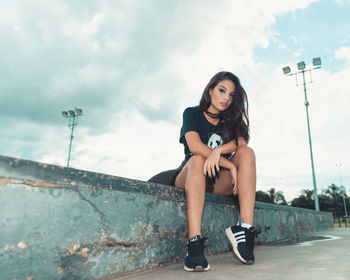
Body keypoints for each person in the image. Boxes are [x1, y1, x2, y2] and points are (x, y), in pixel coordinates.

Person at [174, 71, 258, 272]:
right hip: (191, 175)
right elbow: (194, 146)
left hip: (217, 181)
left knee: (247, 153)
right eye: (222, 90)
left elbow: (241, 142)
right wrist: (228, 164)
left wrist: (219, 150)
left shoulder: (231, 121)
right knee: (198, 159)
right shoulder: (191, 113)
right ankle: (194, 245)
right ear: (210, 90)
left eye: (231, 95)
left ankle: (244, 230)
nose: (226, 98)